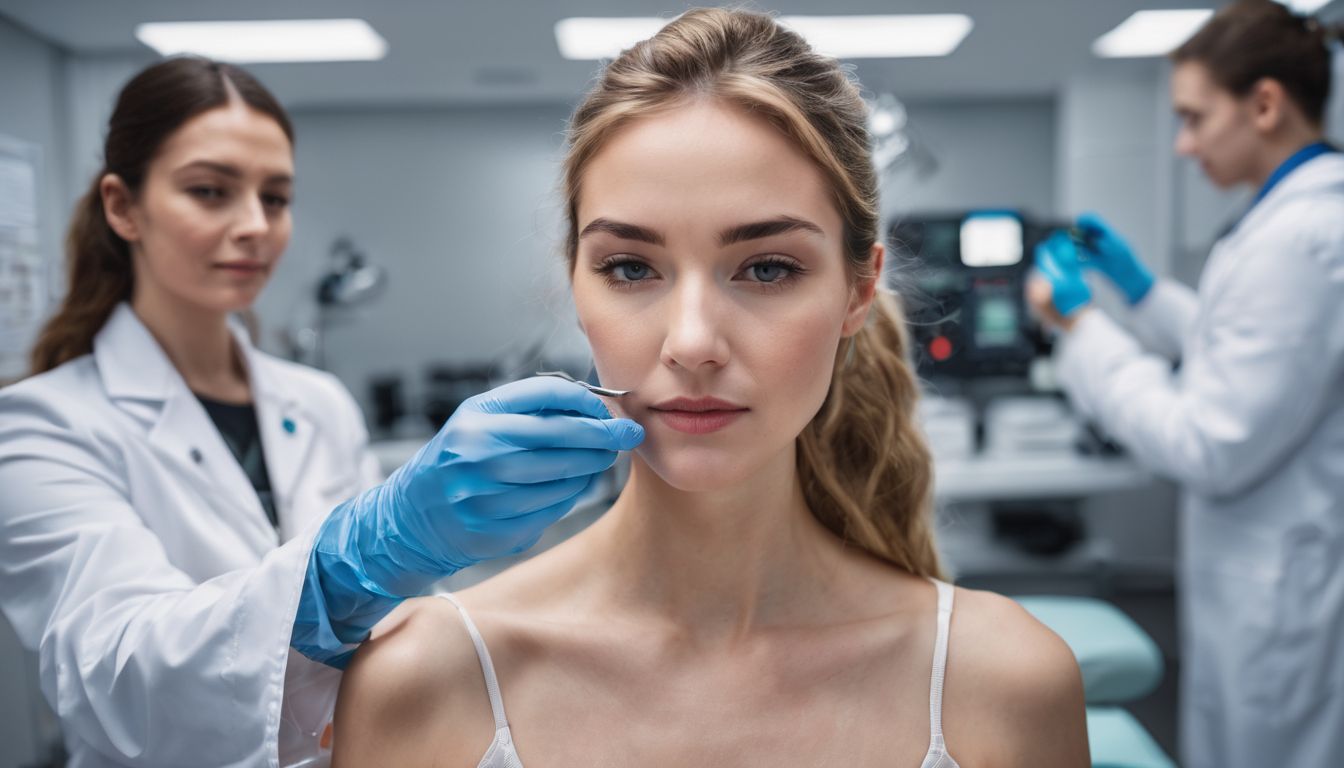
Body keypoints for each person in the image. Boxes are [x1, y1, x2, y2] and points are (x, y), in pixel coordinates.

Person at [332, 9, 1090, 767]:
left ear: (859, 290)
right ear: (577, 285)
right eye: (631, 267)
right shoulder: (426, 680)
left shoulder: (1003, 685)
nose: (692, 342)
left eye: (767, 268)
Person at [0, 58, 641, 766]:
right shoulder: (41, 426)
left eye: (274, 198)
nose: (253, 225)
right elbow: (115, 681)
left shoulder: (315, 404)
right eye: (210, 191)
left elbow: (390, 633)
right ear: (123, 206)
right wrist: (370, 550)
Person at [1027, 2, 1344, 766]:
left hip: (1283, 582)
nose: (1183, 143)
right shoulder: (1286, 223)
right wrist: (1137, 292)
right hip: (1263, 568)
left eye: (1195, 118)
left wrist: (1081, 328)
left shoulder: (1304, 239)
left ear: (1264, 104)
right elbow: (1244, 353)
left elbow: (1209, 442)